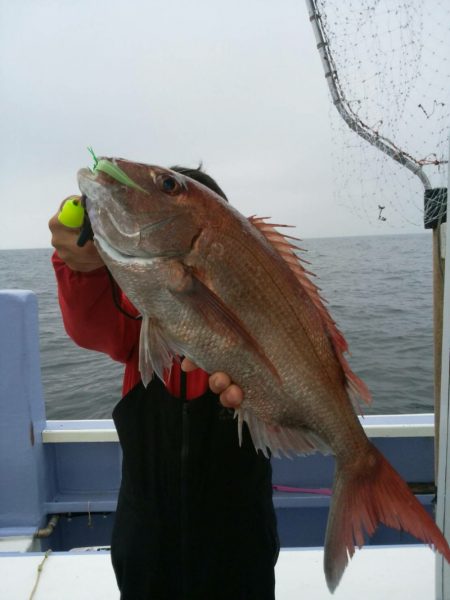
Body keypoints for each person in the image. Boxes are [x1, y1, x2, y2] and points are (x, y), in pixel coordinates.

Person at [49, 165, 279, 600]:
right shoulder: (139, 318)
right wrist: (78, 258)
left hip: (240, 546)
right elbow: (87, 321)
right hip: (145, 550)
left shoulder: (256, 325)